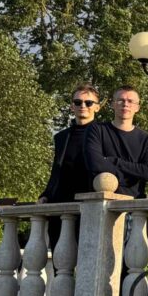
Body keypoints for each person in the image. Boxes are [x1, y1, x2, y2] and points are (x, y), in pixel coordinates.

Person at [40, 84, 101, 247]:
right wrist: (46, 193)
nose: (83, 106)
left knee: (87, 260)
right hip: (60, 204)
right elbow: (57, 168)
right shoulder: (61, 137)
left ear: (97, 107)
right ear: (71, 106)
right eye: (78, 102)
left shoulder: (104, 134)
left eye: (88, 103)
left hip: (89, 203)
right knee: (60, 263)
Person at [84, 85, 148, 198]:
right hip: (101, 203)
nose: (125, 104)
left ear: (137, 107)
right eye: (120, 100)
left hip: (134, 207)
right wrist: (130, 177)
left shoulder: (147, 139)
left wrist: (114, 161)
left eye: (130, 101)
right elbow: (95, 164)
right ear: (113, 104)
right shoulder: (97, 130)